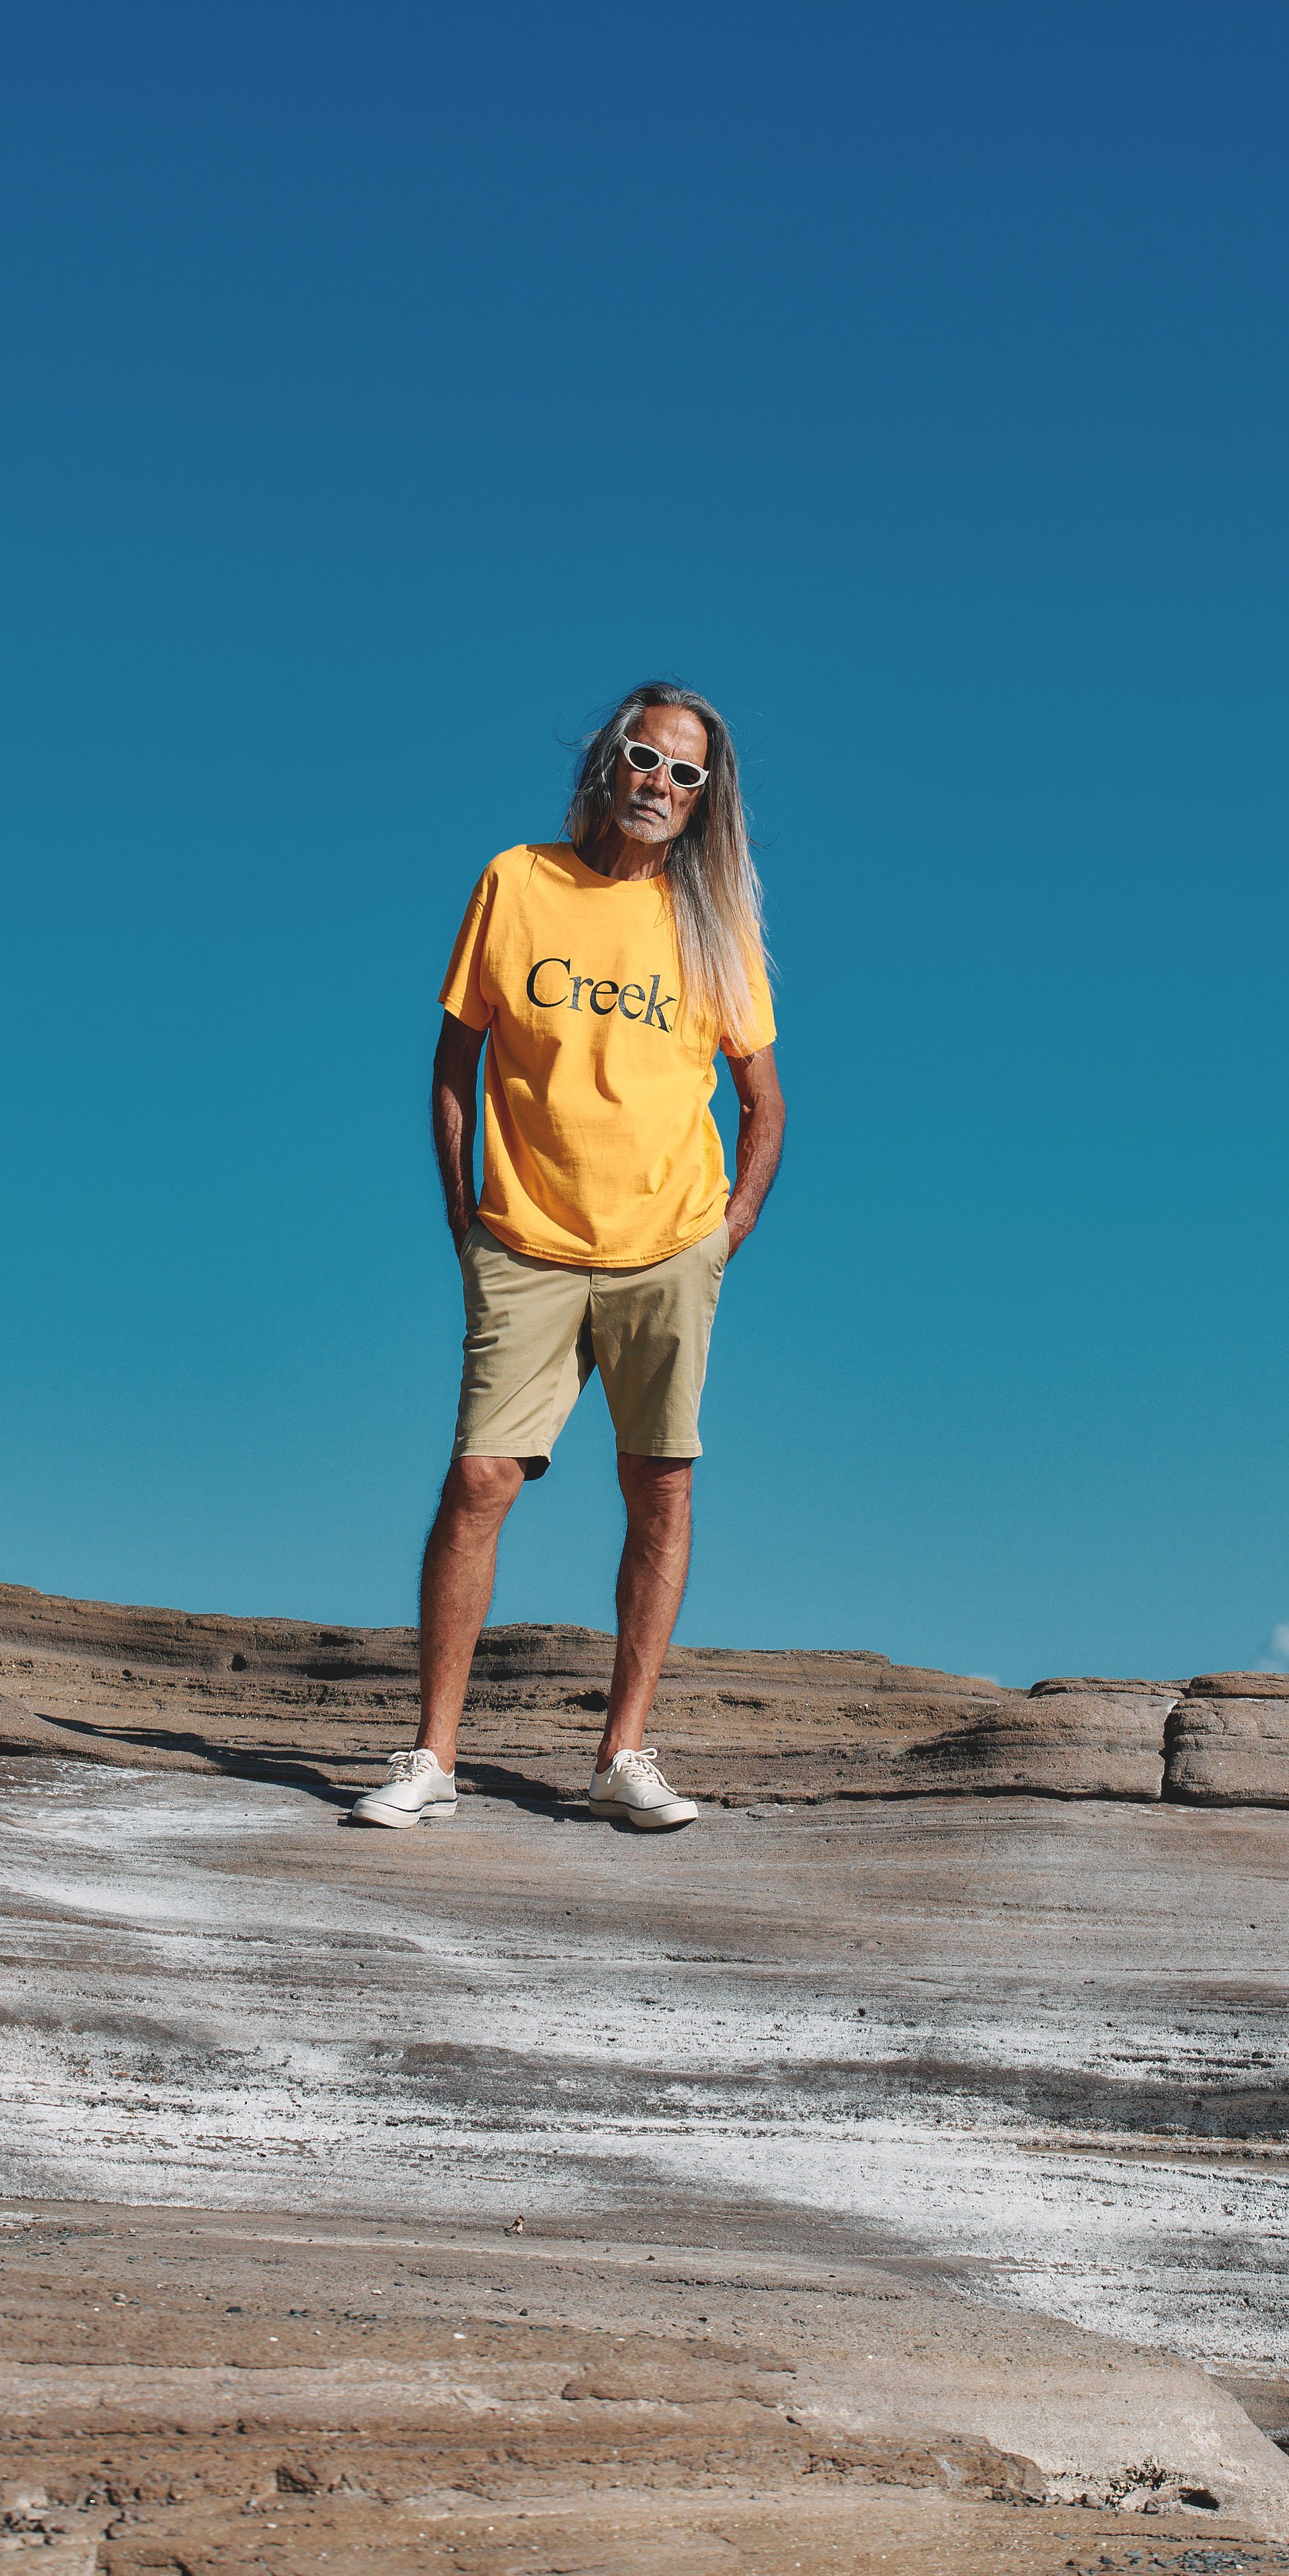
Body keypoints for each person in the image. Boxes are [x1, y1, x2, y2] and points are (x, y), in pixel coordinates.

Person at [351, 682, 785, 1834]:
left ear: (705, 802)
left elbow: (762, 1101)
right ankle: (432, 1758)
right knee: (481, 1478)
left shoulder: (713, 922)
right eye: (647, 757)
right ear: (609, 761)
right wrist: (464, 1214)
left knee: (660, 1482)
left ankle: (623, 1755)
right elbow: (456, 1063)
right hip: (528, 1241)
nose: (661, 784)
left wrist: (724, 1230)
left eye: (687, 774)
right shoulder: (518, 881)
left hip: (668, 1245)